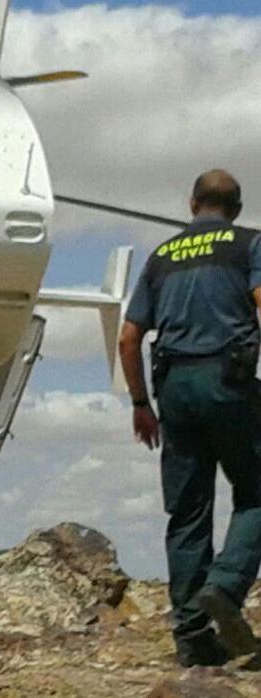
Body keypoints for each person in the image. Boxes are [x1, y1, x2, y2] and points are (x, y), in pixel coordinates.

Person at [120, 169, 261, 667]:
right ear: (236, 208)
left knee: (187, 511)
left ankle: (192, 639)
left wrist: (141, 403)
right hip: (229, 384)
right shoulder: (249, 245)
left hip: (174, 392)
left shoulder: (161, 257)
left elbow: (129, 336)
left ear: (192, 202)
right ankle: (225, 586)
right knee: (257, 491)